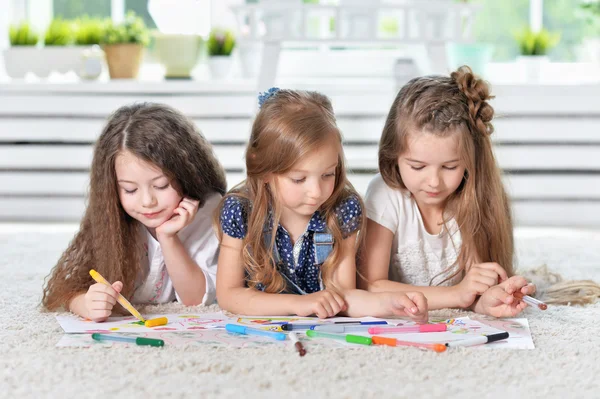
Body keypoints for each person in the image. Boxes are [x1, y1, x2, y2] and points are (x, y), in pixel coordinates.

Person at [216, 88, 428, 320]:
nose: (317, 192)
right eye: (299, 179)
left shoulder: (341, 211)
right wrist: (297, 304)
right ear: (264, 170)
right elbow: (229, 295)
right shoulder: (241, 210)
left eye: (327, 174)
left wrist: (388, 303)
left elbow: (344, 297)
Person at [360, 67, 535, 317]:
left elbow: (473, 292)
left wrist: (485, 301)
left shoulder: (474, 195)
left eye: (450, 167)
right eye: (417, 166)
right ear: (393, 155)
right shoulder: (385, 193)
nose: (434, 182)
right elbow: (370, 285)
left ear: (469, 161)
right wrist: (456, 295)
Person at [42, 103, 227, 321]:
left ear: (186, 175)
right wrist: (84, 303)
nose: (147, 201)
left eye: (161, 186)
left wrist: (168, 238)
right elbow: (70, 286)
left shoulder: (210, 212)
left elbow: (195, 300)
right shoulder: (113, 213)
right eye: (130, 189)